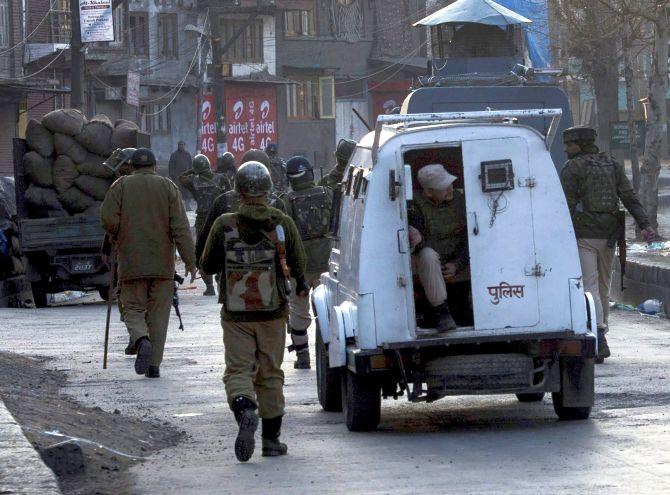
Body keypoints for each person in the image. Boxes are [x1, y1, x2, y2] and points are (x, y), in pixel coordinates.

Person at [200, 160, 307, 462]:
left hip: (236, 315)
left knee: (238, 370)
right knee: (270, 373)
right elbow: (299, 264)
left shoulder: (225, 224)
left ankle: (245, 407)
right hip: (273, 314)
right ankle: (271, 441)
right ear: (268, 189)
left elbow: (208, 265)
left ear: (239, 191)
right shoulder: (281, 222)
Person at [560, 126, 655, 363]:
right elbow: (629, 197)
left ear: (580, 144)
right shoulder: (612, 164)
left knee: (589, 285)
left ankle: (599, 333)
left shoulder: (572, 168)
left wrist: (559, 236)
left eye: (570, 144)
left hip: (584, 235)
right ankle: (602, 331)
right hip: (610, 235)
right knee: (604, 286)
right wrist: (645, 225)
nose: (566, 149)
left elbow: (565, 206)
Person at [101, 148, 197, 378]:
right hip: (163, 265)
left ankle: (141, 339)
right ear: (154, 166)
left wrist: (118, 235)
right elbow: (181, 228)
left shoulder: (120, 186)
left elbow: (108, 219)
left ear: (132, 166)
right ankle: (154, 365)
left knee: (132, 307)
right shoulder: (168, 187)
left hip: (131, 262)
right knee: (159, 315)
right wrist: (190, 261)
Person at [275, 156, 333, 369]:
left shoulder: (285, 201)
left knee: (298, 311)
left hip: (299, 266)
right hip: (326, 262)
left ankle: (303, 357)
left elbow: (281, 235)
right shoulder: (327, 193)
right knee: (329, 311)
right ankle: (331, 354)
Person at [408, 164, 468, 333]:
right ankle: (442, 313)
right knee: (427, 256)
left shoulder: (460, 201)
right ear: (428, 192)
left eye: (450, 184)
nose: (450, 189)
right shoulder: (414, 206)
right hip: (430, 262)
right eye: (444, 187)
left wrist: (457, 264)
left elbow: (470, 237)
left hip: (458, 258)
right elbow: (417, 243)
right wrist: (418, 240)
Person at [195, 149, 277, 265]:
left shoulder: (222, 201)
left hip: (230, 271)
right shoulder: (277, 203)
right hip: (270, 272)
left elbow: (205, 244)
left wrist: (201, 263)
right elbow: (292, 250)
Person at [178, 154, 231, 296]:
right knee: (222, 248)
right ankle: (221, 279)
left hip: (202, 220)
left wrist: (193, 171)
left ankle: (209, 286)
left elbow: (181, 178)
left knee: (203, 251)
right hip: (220, 218)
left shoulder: (194, 181)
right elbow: (230, 195)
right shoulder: (221, 178)